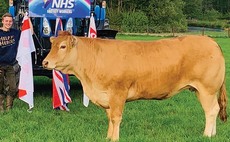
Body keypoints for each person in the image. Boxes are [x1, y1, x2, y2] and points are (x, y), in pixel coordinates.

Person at [0, 13, 21, 112]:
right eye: (6, 21)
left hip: (11, 65)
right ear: (2, 21)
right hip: (0, 65)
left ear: (12, 22)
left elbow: (29, 33)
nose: (8, 23)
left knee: (13, 87)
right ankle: (0, 107)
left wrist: (28, 19)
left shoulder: (15, 33)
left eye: (10, 21)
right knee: (0, 87)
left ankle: (9, 107)